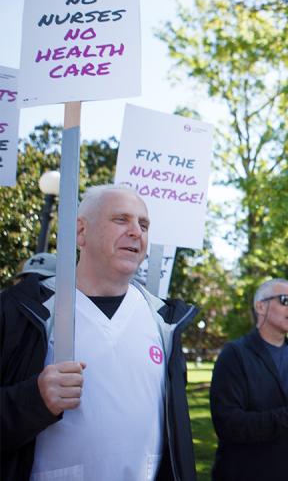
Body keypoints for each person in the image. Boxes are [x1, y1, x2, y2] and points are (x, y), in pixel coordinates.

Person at [0, 185, 198, 481]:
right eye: (121, 219)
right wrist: (33, 400)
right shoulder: (22, 310)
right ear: (81, 232)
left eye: (144, 224)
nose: (136, 232)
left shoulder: (163, 322)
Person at [210, 278, 288, 480]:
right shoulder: (235, 355)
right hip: (242, 473)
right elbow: (228, 424)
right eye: (286, 300)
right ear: (261, 306)